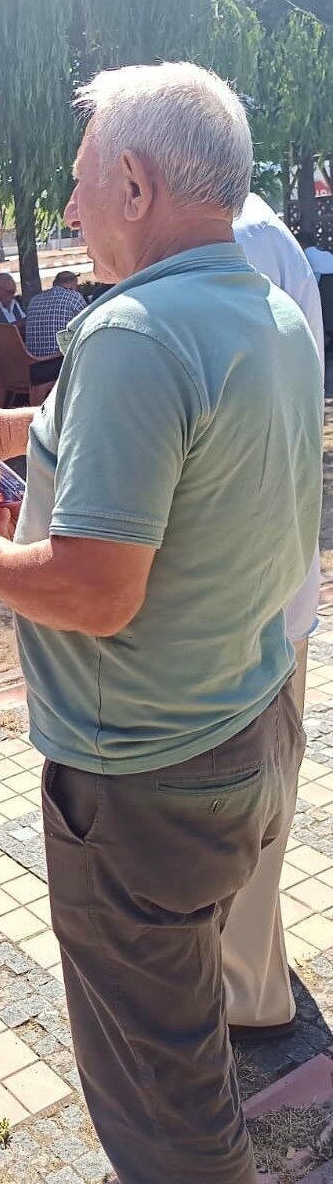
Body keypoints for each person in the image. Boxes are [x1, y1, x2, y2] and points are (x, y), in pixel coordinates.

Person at [0, 63, 321, 1184]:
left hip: (143, 779)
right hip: (248, 727)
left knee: (164, 1097)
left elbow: (95, 592)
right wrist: (15, 452)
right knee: (182, 1045)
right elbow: (177, 479)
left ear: (136, 185)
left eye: (83, 178)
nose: (69, 203)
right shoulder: (271, 312)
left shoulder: (133, 330)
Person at [222, 191, 325, 1037]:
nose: (73, 208)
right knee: (253, 810)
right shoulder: (253, 233)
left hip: (247, 604)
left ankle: (250, 1000)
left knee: (245, 819)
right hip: (261, 592)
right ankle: (249, 976)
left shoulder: (236, 239)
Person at [22, 269, 86, 384]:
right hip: (56, 364)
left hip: (30, 365)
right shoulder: (74, 297)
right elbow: (87, 324)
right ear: (73, 286)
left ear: (54, 284)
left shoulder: (34, 300)